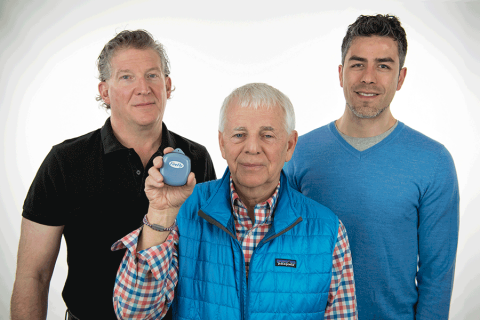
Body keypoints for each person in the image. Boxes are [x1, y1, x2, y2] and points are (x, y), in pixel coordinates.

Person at [10, 30, 216, 320]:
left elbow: (206, 263)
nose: (143, 88)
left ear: (168, 85)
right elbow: (34, 275)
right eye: (127, 77)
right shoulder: (65, 161)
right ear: (104, 91)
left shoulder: (196, 159)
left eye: (152, 75)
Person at [112, 83, 357, 320]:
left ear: (290, 145)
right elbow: (134, 313)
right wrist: (160, 213)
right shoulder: (183, 210)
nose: (252, 148)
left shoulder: (329, 231)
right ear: (222, 143)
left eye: (267, 135)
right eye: (239, 134)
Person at [284, 14, 459, 320]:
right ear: (340, 73)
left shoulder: (434, 162)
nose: (368, 77)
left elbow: (437, 278)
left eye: (383, 65)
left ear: (400, 78)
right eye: (357, 63)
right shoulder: (298, 153)